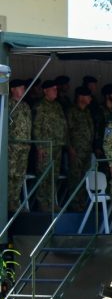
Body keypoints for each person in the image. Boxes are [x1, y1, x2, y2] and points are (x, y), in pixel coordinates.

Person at [32, 79, 68, 211]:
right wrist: (39, 146)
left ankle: (52, 202)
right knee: (44, 174)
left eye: (56, 89)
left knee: (54, 175)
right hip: (45, 147)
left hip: (57, 146)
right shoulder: (40, 106)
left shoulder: (57, 105)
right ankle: (43, 204)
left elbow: (62, 124)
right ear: (45, 91)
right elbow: (36, 127)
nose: (55, 92)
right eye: (53, 89)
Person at [66, 87, 97, 210]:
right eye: (87, 96)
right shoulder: (72, 112)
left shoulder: (87, 112)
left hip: (87, 150)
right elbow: (66, 131)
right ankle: (74, 203)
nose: (90, 98)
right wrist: (70, 148)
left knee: (85, 178)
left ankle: (82, 203)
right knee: (75, 177)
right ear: (81, 97)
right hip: (76, 150)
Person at [6, 79, 32, 214]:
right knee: (10, 175)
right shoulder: (7, 105)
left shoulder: (25, 106)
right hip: (11, 148)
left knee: (20, 176)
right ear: (13, 90)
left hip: (24, 147)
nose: (23, 90)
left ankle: (14, 203)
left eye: (24, 88)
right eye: (21, 88)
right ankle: (6, 204)